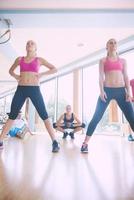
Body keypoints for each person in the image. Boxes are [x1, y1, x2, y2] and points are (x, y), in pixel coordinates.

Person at [0, 40, 59, 152]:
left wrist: (41, 74)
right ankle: (0, 140)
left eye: (32, 43)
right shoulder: (19, 59)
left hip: (34, 89)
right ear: (25, 47)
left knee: (44, 115)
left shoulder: (39, 60)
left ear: (36, 48)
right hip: (21, 89)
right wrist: (16, 76)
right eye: (27, 43)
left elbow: (54, 69)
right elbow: (10, 71)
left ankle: (55, 142)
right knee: (12, 115)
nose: (29, 44)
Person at [81, 38, 134, 153]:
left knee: (132, 118)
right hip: (107, 91)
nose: (113, 44)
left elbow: (126, 76)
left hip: (121, 91)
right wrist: (101, 91)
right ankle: (85, 143)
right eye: (111, 42)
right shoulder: (103, 60)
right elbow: (100, 76)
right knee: (96, 117)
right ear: (107, 47)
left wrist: (128, 92)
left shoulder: (123, 61)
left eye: (115, 42)